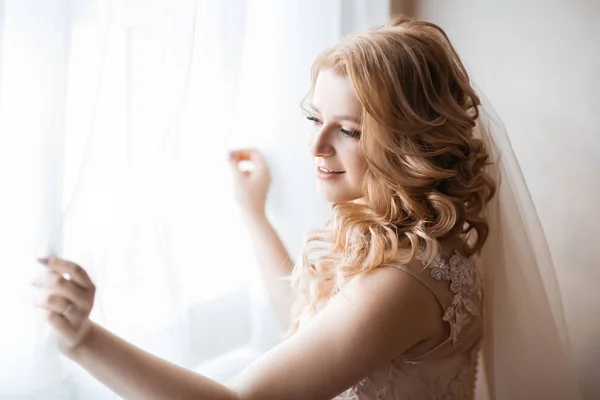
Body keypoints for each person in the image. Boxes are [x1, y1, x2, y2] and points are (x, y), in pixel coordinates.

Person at [32, 15, 579, 400]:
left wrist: (83, 340)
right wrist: (254, 214)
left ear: (408, 145)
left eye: (348, 131)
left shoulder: (403, 282)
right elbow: (310, 326)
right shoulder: (410, 242)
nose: (317, 149)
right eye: (315, 119)